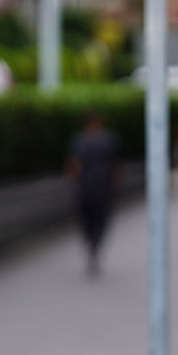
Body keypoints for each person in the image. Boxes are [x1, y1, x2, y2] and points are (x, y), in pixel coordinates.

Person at [65, 111, 120, 276]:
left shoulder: (79, 141)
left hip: (85, 189)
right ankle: (94, 245)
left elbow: (73, 165)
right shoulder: (108, 140)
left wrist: (72, 183)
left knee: (87, 221)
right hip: (102, 189)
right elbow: (116, 166)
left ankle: (92, 245)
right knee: (100, 222)